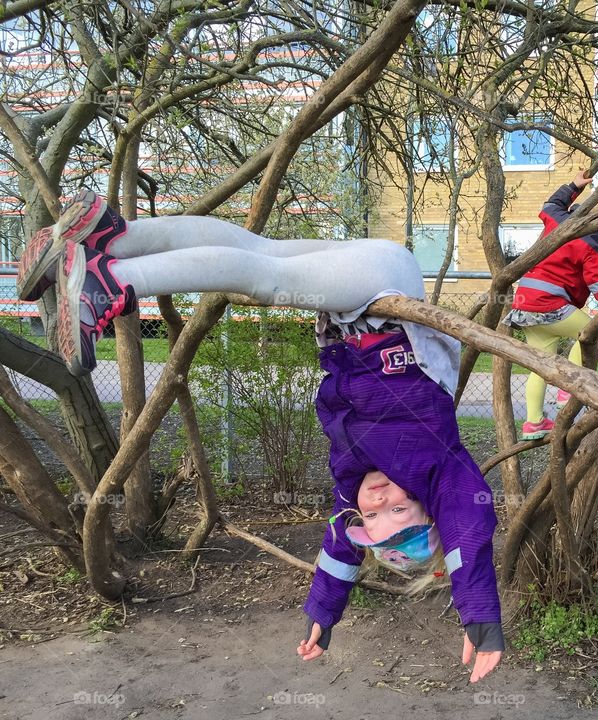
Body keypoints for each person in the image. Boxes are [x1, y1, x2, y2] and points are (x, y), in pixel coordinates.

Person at [17, 190, 504, 682]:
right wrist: (479, 617)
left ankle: (108, 238)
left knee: (261, 249)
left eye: (372, 516)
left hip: (354, 304)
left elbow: (341, 548)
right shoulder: (440, 468)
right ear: (430, 502)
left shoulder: (352, 475)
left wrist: (323, 616)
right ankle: (114, 282)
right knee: (266, 278)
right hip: (382, 290)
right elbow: (467, 531)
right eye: (398, 509)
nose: (377, 500)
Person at [503, 171, 598, 440]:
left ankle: (533, 423)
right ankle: (570, 388)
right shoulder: (594, 241)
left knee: (540, 365)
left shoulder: (561, 219)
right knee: (589, 332)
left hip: (525, 303)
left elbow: (550, 206)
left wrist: (573, 187)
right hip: (550, 303)